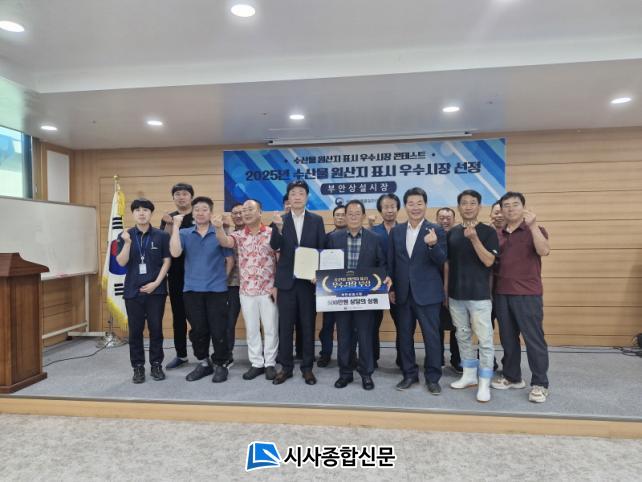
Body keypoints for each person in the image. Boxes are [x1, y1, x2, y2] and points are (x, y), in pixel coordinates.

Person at [491, 191, 551, 403]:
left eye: (515, 204)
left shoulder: (535, 229)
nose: (510, 209)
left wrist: (533, 226)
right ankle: (512, 377)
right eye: (506, 205)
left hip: (527, 294)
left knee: (534, 339)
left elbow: (544, 251)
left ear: (523, 207)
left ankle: (540, 383)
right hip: (501, 293)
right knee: (508, 339)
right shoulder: (497, 234)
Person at [388, 187, 447, 395]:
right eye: (411, 203)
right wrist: (392, 288)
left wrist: (432, 246)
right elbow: (392, 262)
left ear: (425, 205)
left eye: (419, 203)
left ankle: (433, 378)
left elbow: (441, 260)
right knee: (404, 336)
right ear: (405, 206)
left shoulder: (436, 230)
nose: (415, 207)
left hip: (428, 293)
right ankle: (409, 374)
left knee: (432, 337)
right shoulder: (396, 231)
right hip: (403, 293)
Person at [326, 200, 390, 390]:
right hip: (340, 297)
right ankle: (345, 373)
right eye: (350, 213)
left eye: (357, 213)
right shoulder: (334, 238)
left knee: (365, 336)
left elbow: (382, 264)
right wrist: (319, 277)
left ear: (363, 216)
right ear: (345, 216)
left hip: (366, 297)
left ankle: (366, 374)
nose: (353, 216)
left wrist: (386, 277)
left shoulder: (374, 238)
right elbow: (326, 264)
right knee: (344, 336)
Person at [169, 196, 234, 383]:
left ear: (211, 213)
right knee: (198, 330)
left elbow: (229, 258)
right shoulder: (185, 233)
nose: (200, 213)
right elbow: (175, 252)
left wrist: (222, 279)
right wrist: (175, 227)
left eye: (204, 209)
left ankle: (221, 364)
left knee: (218, 329)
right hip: (191, 290)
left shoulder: (219, 232)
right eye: (196, 209)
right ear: (192, 213)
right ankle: (204, 362)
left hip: (217, 290)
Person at [214, 200, 279, 381]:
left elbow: (280, 260)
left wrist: (277, 286)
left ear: (260, 212)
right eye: (244, 210)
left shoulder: (272, 233)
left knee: (271, 328)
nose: (246, 213)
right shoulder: (238, 235)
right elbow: (225, 242)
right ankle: (257, 363)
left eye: (250, 209)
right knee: (251, 329)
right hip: (246, 291)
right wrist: (218, 228)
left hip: (268, 290)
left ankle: (270, 363)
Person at [270, 180, 326, 385]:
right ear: (289, 198)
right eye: (293, 193)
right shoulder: (280, 220)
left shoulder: (317, 220)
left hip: (308, 283)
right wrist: (278, 228)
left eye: (301, 193)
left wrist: (319, 275)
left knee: (308, 326)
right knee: (285, 327)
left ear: (307, 197)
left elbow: (321, 249)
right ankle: (286, 368)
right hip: (286, 283)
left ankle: (307, 368)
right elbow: (274, 246)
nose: (297, 196)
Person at [446, 190, 499, 402]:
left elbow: (489, 261)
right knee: (462, 335)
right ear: (459, 207)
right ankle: (469, 375)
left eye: (472, 203)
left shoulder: (488, 232)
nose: (468, 206)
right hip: (456, 295)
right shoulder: (452, 232)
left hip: (479, 296)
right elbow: (448, 264)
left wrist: (475, 238)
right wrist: (446, 291)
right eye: (464, 203)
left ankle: (484, 381)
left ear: (479, 207)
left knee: (485, 340)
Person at [116, 198, 171, 383]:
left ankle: (156, 365)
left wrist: (156, 283)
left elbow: (167, 261)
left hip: (156, 291)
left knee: (156, 329)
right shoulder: (125, 235)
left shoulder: (161, 236)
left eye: (145, 210)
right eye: (138, 210)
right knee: (135, 332)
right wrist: (127, 243)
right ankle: (138, 367)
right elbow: (121, 262)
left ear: (151, 213)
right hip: (133, 291)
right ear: (133, 214)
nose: (141, 213)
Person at [160, 182, 194, 370]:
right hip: (175, 274)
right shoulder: (169, 217)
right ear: (173, 198)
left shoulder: (199, 215)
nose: (181, 197)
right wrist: (168, 224)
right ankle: (181, 355)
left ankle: (203, 354)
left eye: (184, 194)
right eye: (177, 194)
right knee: (178, 316)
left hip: (197, 274)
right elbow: (164, 243)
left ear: (191, 197)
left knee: (199, 316)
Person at [370, 193, 401, 368]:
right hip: (376, 286)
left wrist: (393, 287)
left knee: (403, 326)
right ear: (380, 210)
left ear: (398, 209)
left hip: (400, 286)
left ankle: (403, 360)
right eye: (386, 207)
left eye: (392, 206)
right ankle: (372, 358)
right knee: (372, 325)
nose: (389, 210)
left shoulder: (405, 230)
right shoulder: (372, 232)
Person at [317, 204, 347, 367]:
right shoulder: (326, 237)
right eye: (337, 215)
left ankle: (350, 356)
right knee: (328, 324)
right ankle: (325, 354)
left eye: (343, 215)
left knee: (350, 327)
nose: (340, 218)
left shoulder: (356, 236)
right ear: (333, 218)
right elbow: (319, 260)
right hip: (330, 288)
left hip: (350, 288)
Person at [435, 207, 462, 374]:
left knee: (458, 326)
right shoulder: (431, 236)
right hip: (434, 288)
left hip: (457, 288)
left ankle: (456, 359)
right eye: (441, 217)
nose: (445, 220)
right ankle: (437, 358)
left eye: (448, 217)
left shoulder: (460, 235)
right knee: (436, 326)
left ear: (454, 219)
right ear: (436, 219)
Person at [224, 202, 245, 368]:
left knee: (256, 322)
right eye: (234, 213)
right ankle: (227, 355)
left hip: (254, 285)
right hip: (232, 284)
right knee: (229, 321)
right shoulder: (227, 236)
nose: (238, 215)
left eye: (241, 212)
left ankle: (260, 357)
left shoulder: (258, 233)